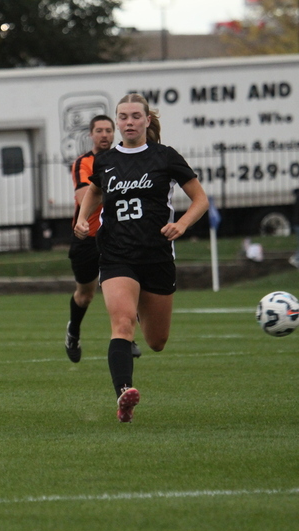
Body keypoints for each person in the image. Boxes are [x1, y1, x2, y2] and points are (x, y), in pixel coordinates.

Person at [74, 94, 209, 423]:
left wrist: (182, 224)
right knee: (121, 324)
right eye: (123, 117)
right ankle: (124, 393)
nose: (129, 122)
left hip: (157, 256)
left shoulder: (165, 157)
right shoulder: (106, 160)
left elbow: (200, 199)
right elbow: (94, 190)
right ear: (117, 122)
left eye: (136, 116)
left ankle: (135, 315)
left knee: (157, 341)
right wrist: (82, 217)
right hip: (117, 255)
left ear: (148, 121)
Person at [65, 115, 141, 363]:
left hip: (118, 236)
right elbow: (84, 195)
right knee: (85, 294)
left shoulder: (124, 159)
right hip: (87, 236)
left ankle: (125, 336)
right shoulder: (83, 162)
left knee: (126, 286)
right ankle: (73, 332)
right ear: (91, 135)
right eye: (99, 130)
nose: (105, 135)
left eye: (109, 130)